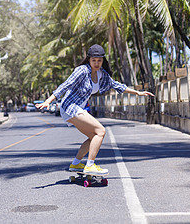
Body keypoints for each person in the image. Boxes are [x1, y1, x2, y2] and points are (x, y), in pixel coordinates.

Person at [35, 44, 154, 175]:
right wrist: (48, 100)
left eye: (99, 60)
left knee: (93, 136)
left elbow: (116, 85)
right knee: (101, 131)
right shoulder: (82, 70)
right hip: (69, 105)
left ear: (103, 60)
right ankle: (90, 165)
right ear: (89, 59)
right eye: (94, 60)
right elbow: (65, 85)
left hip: (77, 107)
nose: (96, 63)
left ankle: (75, 164)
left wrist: (137, 93)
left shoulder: (101, 74)